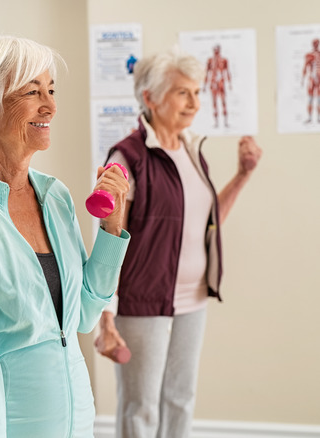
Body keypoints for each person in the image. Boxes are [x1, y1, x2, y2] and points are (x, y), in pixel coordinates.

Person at [0, 35, 131, 436]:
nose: (50, 106)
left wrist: (111, 228)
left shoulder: (55, 196)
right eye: (32, 92)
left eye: (50, 90)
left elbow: (84, 316)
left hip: (74, 423)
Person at [93, 48, 262, 438]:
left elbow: (207, 222)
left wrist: (242, 175)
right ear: (149, 97)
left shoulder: (191, 151)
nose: (194, 103)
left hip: (194, 298)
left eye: (197, 92)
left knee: (180, 398)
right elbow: (109, 235)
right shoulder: (128, 155)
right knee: (141, 407)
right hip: (144, 298)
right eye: (182, 93)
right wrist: (106, 311)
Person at [203, 44, 231, 128]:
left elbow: (227, 72)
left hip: (221, 83)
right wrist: (205, 85)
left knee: (223, 102)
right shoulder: (210, 60)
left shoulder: (224, 60)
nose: (216, 52)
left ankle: (225, 122)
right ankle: (216, 122)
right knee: (214, 103)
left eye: (217, 50)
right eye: (215, 50)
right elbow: (207, 73)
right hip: (213, 83)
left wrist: (229, 83)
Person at [301, 38, 320, 123]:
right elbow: (305, 66)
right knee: (310, 98)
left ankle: (318, 118)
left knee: (319, 98)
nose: (316, 44)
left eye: (317, 43)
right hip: (312, 78)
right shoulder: (309, 55)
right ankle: (309, 118)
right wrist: (302, 78)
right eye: (314, 43)